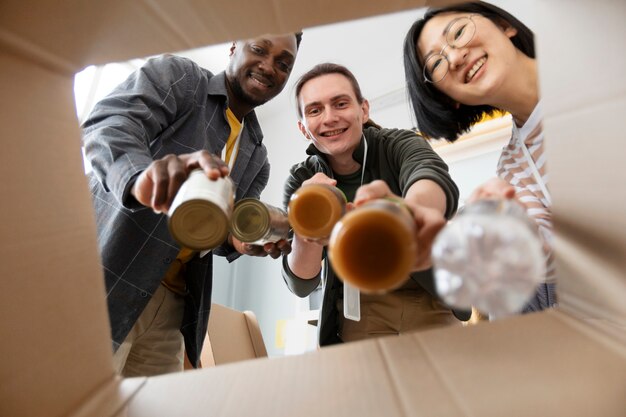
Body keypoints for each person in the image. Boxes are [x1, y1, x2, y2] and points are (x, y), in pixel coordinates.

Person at [82, 32, 301, 376]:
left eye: (283, 63)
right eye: (259, 49)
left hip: (175, 309)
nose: (269, 66)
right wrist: (140, 179)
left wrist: (241, 239)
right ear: (234, 46)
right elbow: (109, 123)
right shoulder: (181, 78)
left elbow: (222, 230)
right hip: (107, 278)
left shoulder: (258, 156)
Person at [281, 63, 468, 347]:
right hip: (359, 310)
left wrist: (412, 213)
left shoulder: (399, 144)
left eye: (340, 103)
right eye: (315, 110)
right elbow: (301, 282)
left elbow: (428, 175)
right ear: (303, 128)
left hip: (429, 297)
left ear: (363, 110)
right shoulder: (301, 180)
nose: (329, 118)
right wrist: (309, 217)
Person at [402, 1, 556, 312]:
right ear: (450, 99)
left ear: (504, 25)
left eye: (458, 32)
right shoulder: (513, 168)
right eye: (437, 64)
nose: (456, 57)